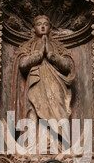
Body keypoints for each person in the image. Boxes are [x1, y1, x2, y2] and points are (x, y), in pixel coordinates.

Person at [11, 15, 75, 150]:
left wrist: (51, 55)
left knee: (56, 110)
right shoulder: (28, 46)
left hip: (55, 84)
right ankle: (35, 144)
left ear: (50, 28)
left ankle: (57, 144)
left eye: (46, 24)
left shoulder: (57, 46)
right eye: (39, 24)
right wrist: (39, 55)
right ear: (33, 29)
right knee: (35, 110)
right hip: (36, 83)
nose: (42, 26)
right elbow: (22, 64)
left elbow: (67, 65)